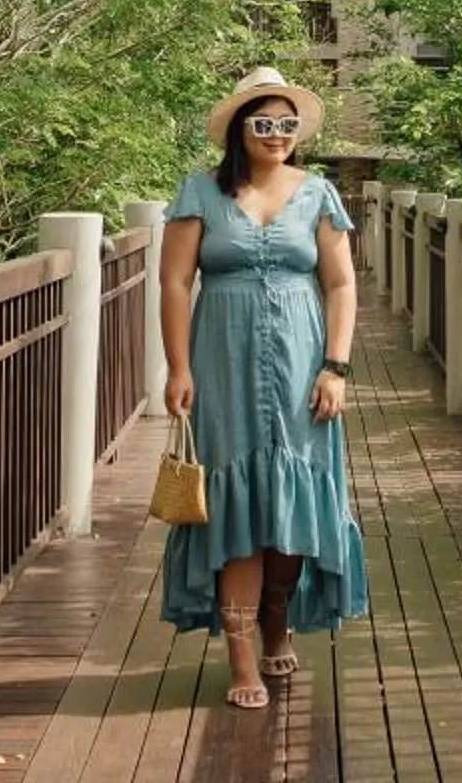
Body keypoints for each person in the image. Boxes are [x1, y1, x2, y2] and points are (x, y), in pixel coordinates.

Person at [159, 66, 370, 709]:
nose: (277, 134)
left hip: (304, 366)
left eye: (287, 124)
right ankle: (242, 655)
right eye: (264, 123)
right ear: (239, 131)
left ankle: (277, 613)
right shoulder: (201, 192)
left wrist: (335, 367)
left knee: (293, 503)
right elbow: (173, 283)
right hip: (223, 363)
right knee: (236, 510)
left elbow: (340, 285)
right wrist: (177, 367)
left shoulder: (318, 194)